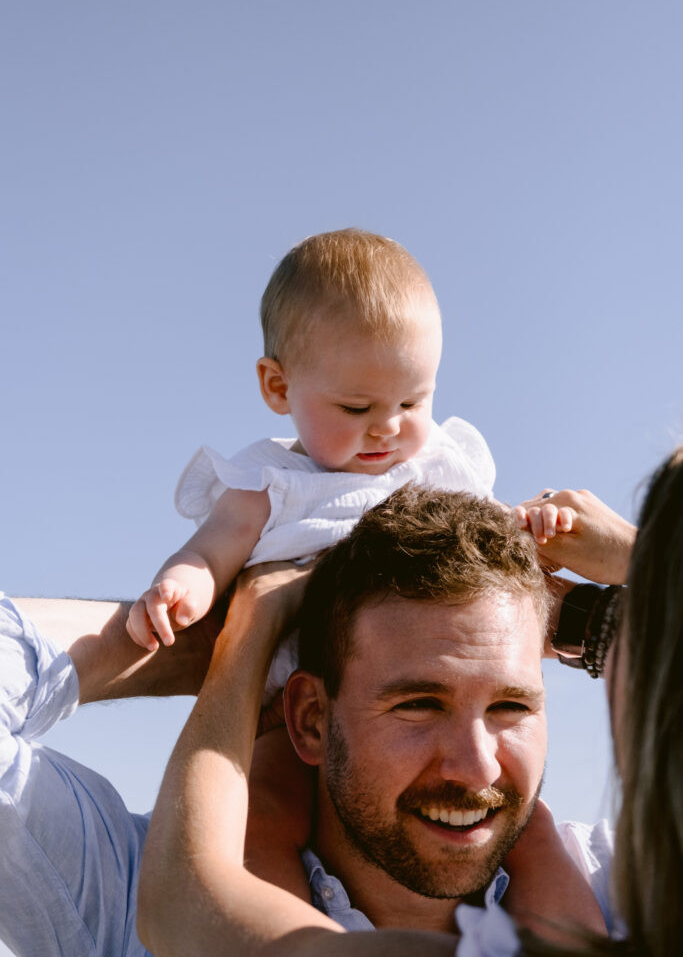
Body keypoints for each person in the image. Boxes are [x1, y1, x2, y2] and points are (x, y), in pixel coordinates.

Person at [0, 487, 613, 957]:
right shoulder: (129, 884)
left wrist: (598, 615)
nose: (477, 765)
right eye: (419, 704)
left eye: (512, 706)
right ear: (312, 719)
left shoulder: (619, 883)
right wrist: (212, 643)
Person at [126, 227, 497, 673]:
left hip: (429, 670)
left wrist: (536, 520)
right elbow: (208, 553)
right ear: (279, 387)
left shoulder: (437, 462)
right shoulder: (271, 484)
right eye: (356, 408)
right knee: (271, 745)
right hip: (299, 689)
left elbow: (495, 537)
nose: (389, 426)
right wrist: (180, 585)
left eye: (412, 402)